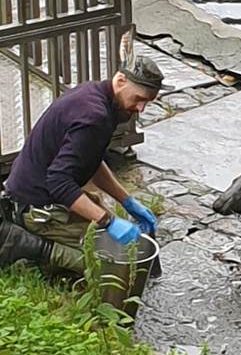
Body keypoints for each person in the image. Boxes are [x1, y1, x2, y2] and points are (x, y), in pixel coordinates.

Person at [0, 55, 172, 275]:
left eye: (148, 102)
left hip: (35, 192)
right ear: (121, 81)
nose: (141, 108)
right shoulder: (94, 117)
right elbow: (59, 183)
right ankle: (28, 246)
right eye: (139, 99)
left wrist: (127, 201)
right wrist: (108, 222)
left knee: (109, 228)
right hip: (36, 207)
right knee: (111, 265)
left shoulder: (97, 95)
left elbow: (91, 160)